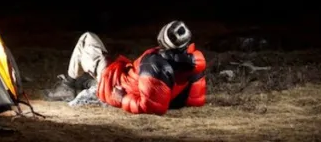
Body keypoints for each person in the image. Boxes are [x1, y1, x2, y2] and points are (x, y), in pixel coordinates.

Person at [48, 21, 207, 115]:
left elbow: (151, 107)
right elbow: (195, 100)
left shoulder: (154, 64)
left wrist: (122, 98)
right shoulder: (194, 60)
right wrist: (170, 100)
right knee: (102, 54)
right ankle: (86, 83)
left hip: (112, 82)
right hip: (126, 76)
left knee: (87, 38)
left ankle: (68, 85)